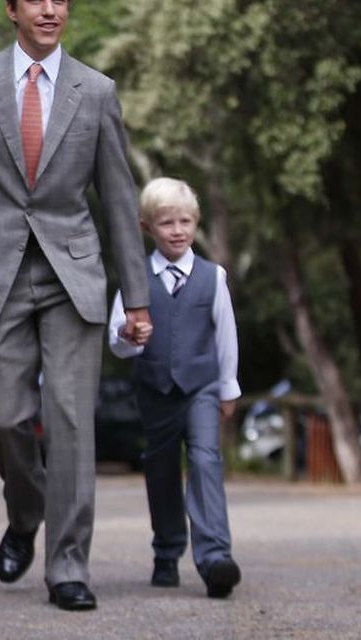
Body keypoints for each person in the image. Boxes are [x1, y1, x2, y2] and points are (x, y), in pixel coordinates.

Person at [0, 0, 152, 611]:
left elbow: (118, 197)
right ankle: (25, 513)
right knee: (4, 420)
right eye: (37, 0)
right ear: (13, 9)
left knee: (72, 423)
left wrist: (135, 297)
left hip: (73, 274)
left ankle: (68, 567)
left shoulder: (97, 90)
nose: (51, 10)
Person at [108, 177, 242, 598]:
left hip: (201, 387)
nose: (178, 230)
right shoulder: (135, 278)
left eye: (185, 221)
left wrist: (228, 387)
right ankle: (166, 553)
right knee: (161, 470)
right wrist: (130, 339)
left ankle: (215, 557)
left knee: (205, 461)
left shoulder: (212, 276)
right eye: (167, 223)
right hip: (155, 389)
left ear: (196, 223)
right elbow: (116, 338)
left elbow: (226, 334)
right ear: (147, 227)